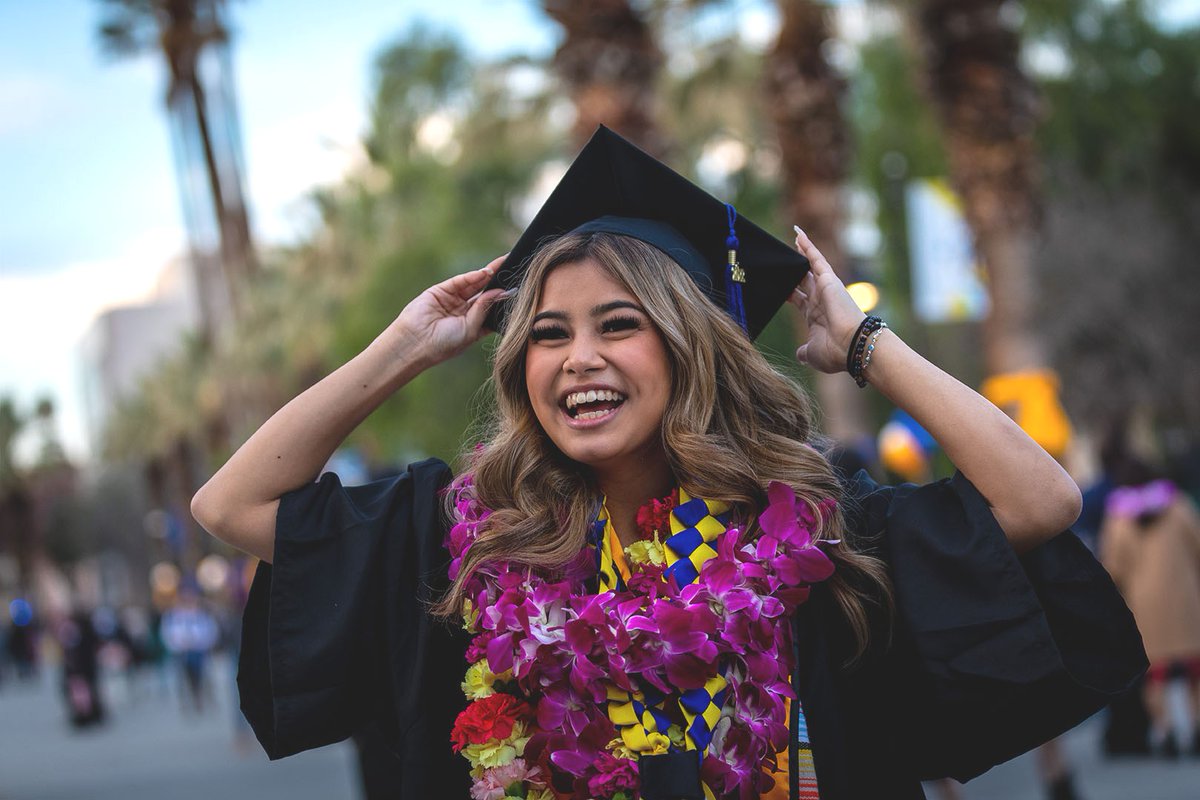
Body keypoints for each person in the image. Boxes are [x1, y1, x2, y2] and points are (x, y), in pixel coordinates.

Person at [192, 128, 1146, 799]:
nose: (579, 359)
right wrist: (402, 347)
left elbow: (1042, 499)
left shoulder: (813, 529)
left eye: (621, 325)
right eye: (549, 335)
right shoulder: (478, 540)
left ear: (692, 347)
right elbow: (230, 505)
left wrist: (864, 345)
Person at [1100, 456, 1200, 757]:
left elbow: (1113, 567)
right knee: (1194, 670)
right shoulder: (1178, 505)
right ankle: (1196, 727)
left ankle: (1166, 730)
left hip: (1144, 606)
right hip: (1184, 599)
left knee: (1155, 675)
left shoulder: (1118, 518)